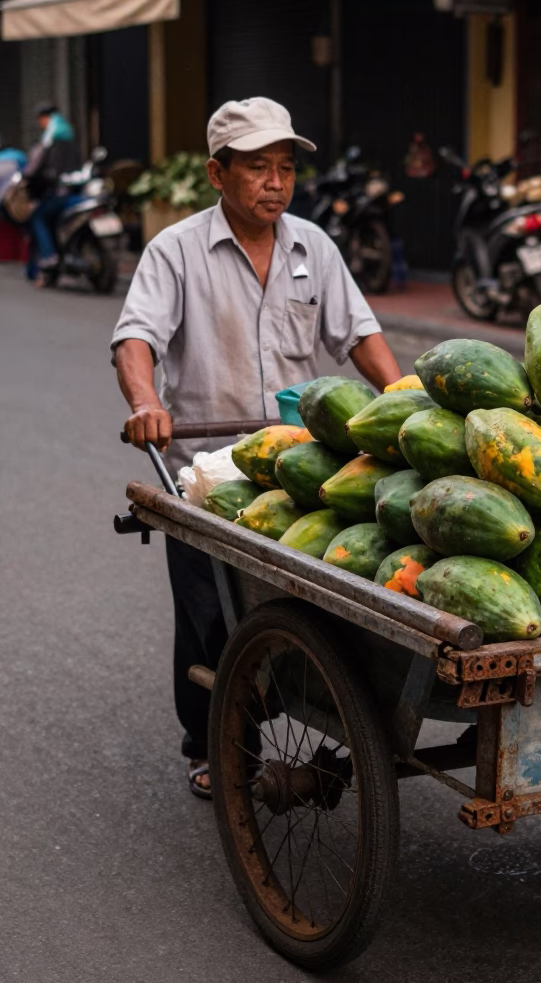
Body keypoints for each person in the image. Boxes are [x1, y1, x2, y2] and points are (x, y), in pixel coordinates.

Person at [111, 97, 402, 799]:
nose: (275, 182)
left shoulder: (314, 247)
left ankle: (321, 701)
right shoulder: (175, 251)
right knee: (210, 617)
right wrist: (147, 402)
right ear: (218, 173)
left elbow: (359, 334)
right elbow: (136, 337)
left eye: (284, 168)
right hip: (209, 474)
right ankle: (210, 741)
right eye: (257, 168)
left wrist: (405, 401)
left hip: (302, 470)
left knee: (335, 599)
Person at [23, 103, 81, 283]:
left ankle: (49, 256)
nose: (41, 123)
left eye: (41, 119)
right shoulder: (69, 133)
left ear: (45, 118)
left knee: (38, 217)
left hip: (58, 192)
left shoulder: (51, 135)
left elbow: (37, 164)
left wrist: (27, 177)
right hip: (75, 189)